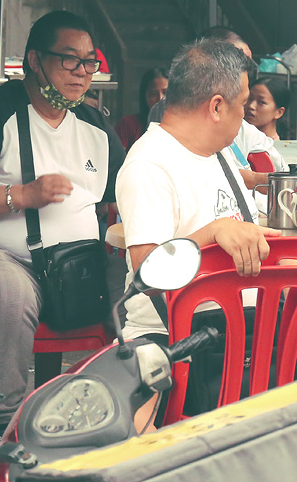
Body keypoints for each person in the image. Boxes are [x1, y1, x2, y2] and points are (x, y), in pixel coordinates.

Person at [0, 10, 124, 443]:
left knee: (146, 285)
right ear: (34, 60)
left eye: (89, 62)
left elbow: (126, 191)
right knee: (9, 294)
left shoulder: (96, 125)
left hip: (77, 266)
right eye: (69, 59)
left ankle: (121, 416)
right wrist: (21, 196)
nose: (82, 73)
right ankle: (6, 427)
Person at [117, 36, 278, 339]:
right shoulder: (149, 165)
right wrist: (214, 232)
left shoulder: (220, 151)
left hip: (246, 324)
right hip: (180, 337)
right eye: (242, 104)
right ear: (217, 107)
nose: (245, 115)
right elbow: (147, 277)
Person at [148, 26, 283, 187]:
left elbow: (276, 161)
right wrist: (254, 179)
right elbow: (196, 173)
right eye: (238, 61)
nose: (245, 72)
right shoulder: (173, 115)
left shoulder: (237, 123)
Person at [113, 67, 167, 150]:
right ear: (144, 96)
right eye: (153, 94)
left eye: (166, 93)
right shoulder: (128, 125)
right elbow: (116, 159)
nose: (160, 99)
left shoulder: (184, 127)